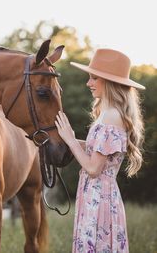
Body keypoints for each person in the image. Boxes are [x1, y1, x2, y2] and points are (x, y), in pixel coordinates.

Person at [55, 48, 145, 253]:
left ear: (110, 81)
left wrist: (69, 139)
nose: (88, 83)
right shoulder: (108, 114)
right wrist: (64, 138)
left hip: (99, 198)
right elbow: (97, 150)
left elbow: (94, 168)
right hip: (96, 196)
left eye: (94, 78)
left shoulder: (111, 117)